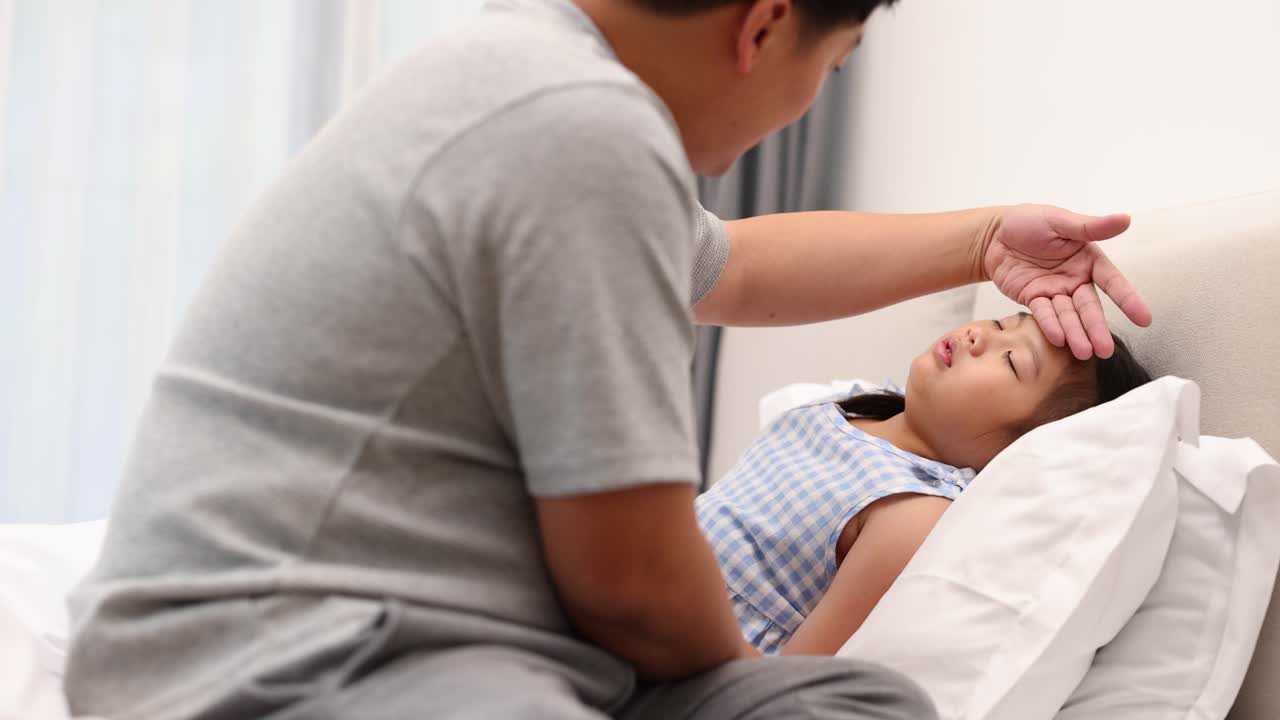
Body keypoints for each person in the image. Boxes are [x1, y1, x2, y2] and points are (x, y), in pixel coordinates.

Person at [64, 1, 1153, 718]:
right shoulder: (584, 137)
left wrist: (980, 242)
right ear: (764, 24)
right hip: (303, 666)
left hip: (283, 637)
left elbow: (738, 267)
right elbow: (631, 591)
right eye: (829, 63)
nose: (806, 99)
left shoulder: (527, 67)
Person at [697, 313, 1153, 657]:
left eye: (1012, 360)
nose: (981, 335)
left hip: (688, 657)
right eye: (1001, 321)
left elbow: (794, 678)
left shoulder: (911, 511)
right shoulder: (850, 408)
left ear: (1018, 449)